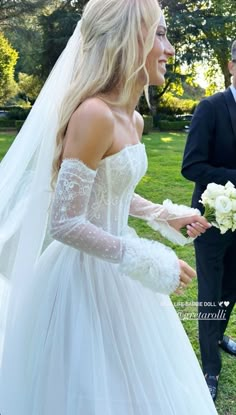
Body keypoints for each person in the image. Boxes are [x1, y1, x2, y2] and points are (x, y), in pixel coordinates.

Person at [0, 1, 217, 414]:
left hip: (121, 277)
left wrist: (164, 214)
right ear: (126, 40)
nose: (169, 48)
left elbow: (110, 192)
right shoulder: (93, 114)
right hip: (82, 279)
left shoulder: (131, 119)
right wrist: (148, 258)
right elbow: (65, 221)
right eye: (159, 33)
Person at [182, 40, 236, 402]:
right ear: (232, 64)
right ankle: (210, 369)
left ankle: (218, 335)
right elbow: (192, 166)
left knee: (231, 288)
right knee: (210, 295)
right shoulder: (211, 108)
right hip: (213, 220)